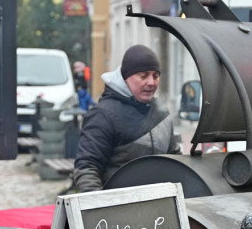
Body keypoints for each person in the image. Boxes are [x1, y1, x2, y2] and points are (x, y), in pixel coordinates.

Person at [72, 45, 179, 192]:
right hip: (117, 209)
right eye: (143, 75)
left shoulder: (162, 113)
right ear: (125, 78)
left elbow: (175, 160)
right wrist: (99, 209)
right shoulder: (102, 115)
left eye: (155, 75)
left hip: (159, 209)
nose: (151, 82)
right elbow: (87, 168)